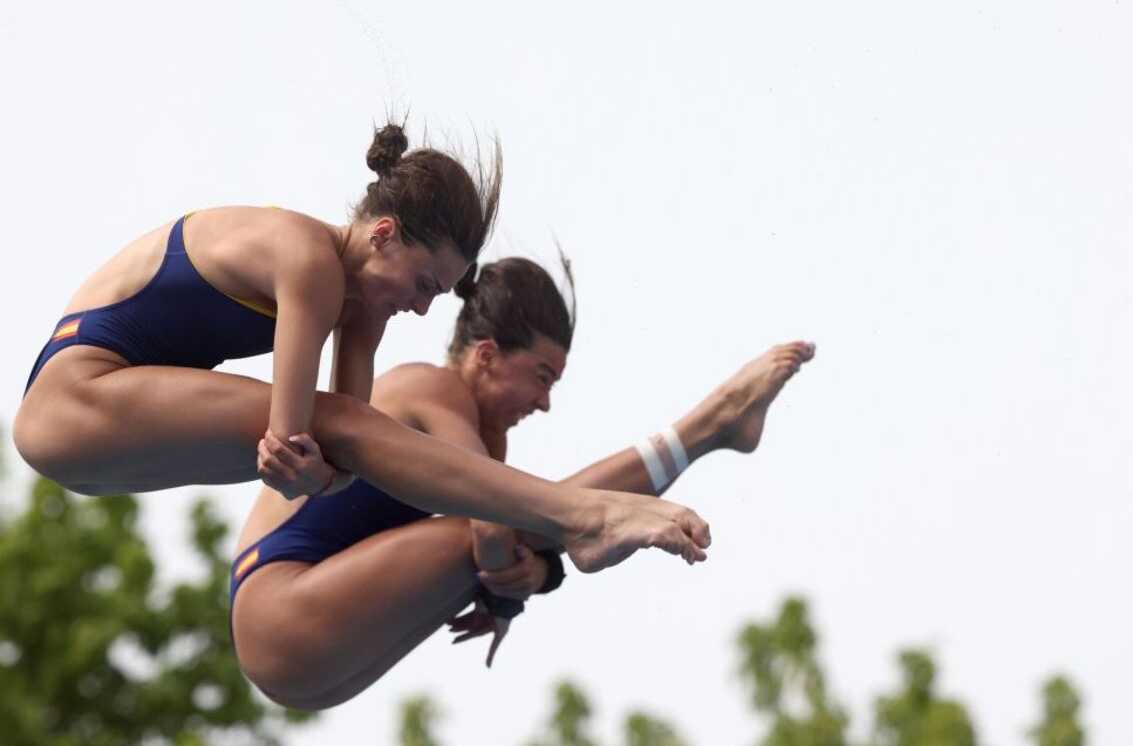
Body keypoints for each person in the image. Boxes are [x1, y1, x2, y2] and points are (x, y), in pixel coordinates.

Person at [12, 123, 710, 574]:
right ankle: (583, 514)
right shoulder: (309, 263)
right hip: (71, 400)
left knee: (349, 432)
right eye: (426, 281)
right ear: (381, 234)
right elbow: (296, 441)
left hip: (101, 434)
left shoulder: (359, 309)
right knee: (344, 425)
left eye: (442, 293)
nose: (425, 306)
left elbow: (332, 469)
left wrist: (310, 469)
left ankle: (574, 514)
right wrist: (306, 465)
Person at [232, 255, 815, 709]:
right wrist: (527, 576)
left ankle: (710, 429)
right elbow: (492, 530)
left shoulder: (488, 443)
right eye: (540, 378)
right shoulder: (432, 390)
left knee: (520, 517)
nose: (544, 403)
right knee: (516, 514)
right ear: (485, 355)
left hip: (315, 670)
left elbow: (503, 549)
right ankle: (710, 424)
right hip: (280, 613)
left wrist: (519, 584)